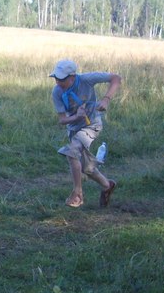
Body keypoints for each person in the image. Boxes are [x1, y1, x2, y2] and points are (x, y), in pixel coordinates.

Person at [49, 59, 122, 208]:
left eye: (61, 79)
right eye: (56, 78)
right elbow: (62, 120)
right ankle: (107, 185)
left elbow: (116, 78)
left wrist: (106, 100)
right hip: (74, 129)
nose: (58, 82)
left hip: (92, 125)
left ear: (72, 77)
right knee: (86, 168)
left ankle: (78, 194)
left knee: (72, 152)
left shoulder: (87, 79)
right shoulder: (57, 92)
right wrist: (76, 117)